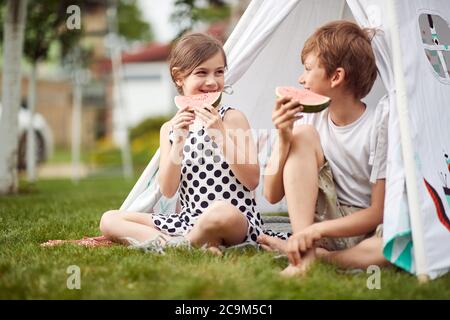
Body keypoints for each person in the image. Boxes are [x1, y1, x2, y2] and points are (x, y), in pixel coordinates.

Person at [99, 33, 287, 254]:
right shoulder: (169, 128)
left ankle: (182, 244)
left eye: (219, 72)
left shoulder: (233, 118)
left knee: (219, 212)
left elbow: (252, 180)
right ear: (179, 77)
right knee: (109, 219)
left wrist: (220, 133)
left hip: (234, 219)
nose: (212, 81)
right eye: (201, 72)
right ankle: (188, 243)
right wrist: (178, 139)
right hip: (189, 220)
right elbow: (168, 190)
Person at [257, 21, 390, 276]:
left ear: (336, 76)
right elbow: (271, 195)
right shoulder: (310, 120)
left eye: (308, 69)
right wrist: (284, 138)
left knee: (391, 247)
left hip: (359, 231)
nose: (300, 79)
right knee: (303, 134)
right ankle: (305, 255)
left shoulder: (379, 125)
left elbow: (377, 212)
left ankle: (320, 257)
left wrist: (314, 232)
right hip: (317, 224)